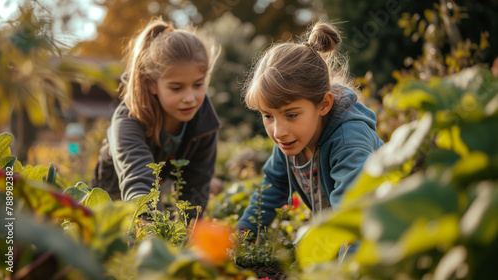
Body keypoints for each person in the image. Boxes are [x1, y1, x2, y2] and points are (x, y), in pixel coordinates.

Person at [237, 21, 384, 233]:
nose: (278, 132)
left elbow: (354, 217)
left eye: (292, 114)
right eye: (268, 116)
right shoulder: (291, 140)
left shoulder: (348, 140)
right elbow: (274, 186)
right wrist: (239, 237)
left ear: (324, 104)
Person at [91, 18, 221, 220]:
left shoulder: (204, 122)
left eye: (198, 84)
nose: (190, 98)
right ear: (151, 84)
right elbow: (139, 186)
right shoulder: (128, 121)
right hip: (110, 208)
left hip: (152, 202)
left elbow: (196, 188)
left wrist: (188, 234)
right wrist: (150, 233)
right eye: (176, 88)